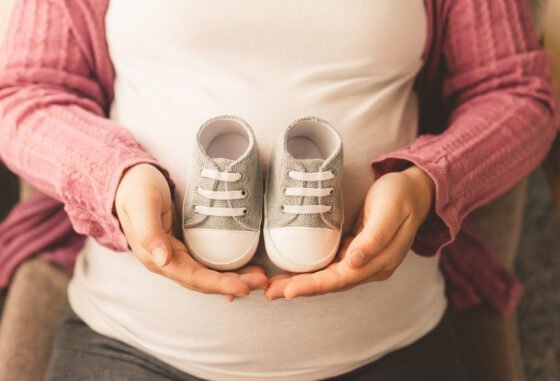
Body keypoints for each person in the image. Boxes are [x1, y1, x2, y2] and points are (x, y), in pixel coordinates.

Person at [0, 0, 556, 380]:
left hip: (387, 348)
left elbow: (517, 93)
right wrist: (116, 178)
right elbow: (24, 94)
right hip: (128, 344)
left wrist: (429, 183)